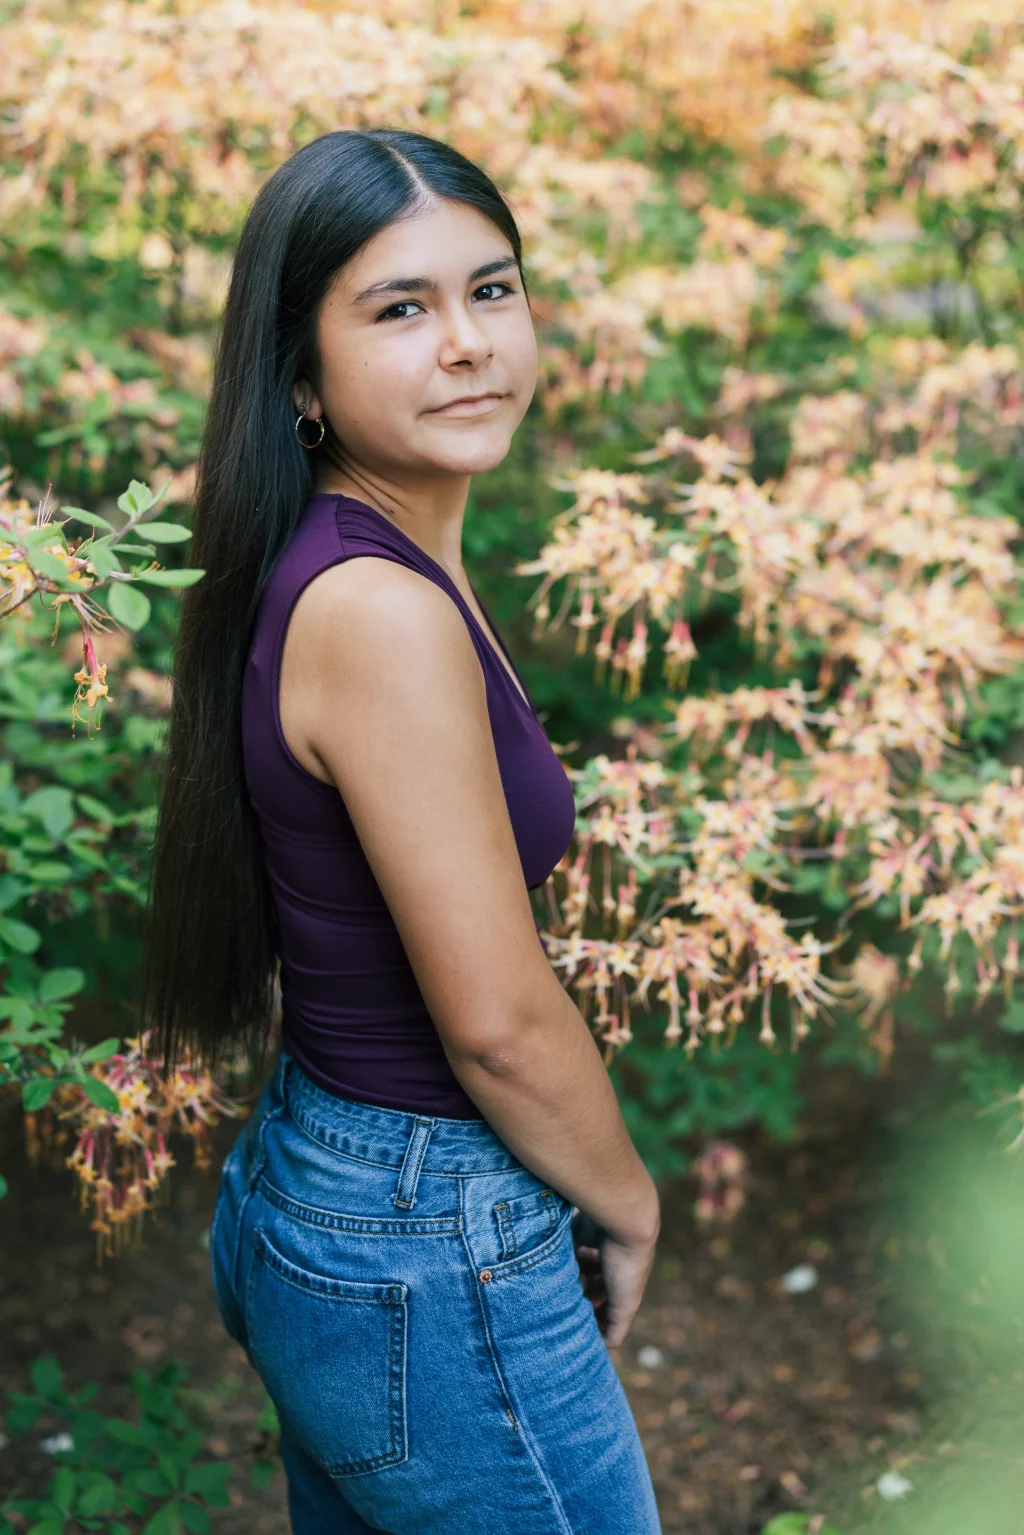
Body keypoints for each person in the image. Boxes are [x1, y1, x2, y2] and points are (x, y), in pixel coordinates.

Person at [141, 127, 662, 1534]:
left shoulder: (362, 552)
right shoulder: (380, 610)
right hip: (427, 1236)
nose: (469, 343)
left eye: (491, 291)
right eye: (400, 309)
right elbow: (495, 1017)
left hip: (336, 1187)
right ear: (300, 376)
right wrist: (627, 1198)